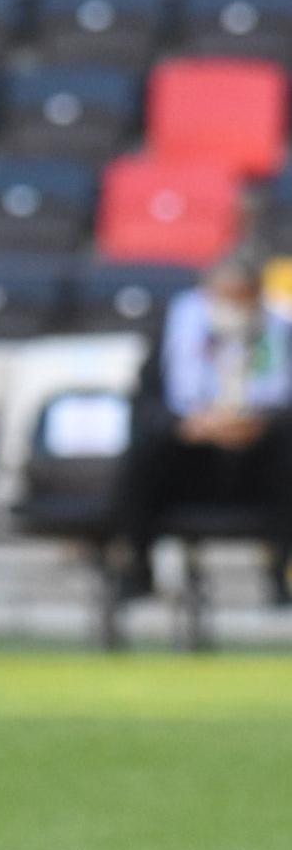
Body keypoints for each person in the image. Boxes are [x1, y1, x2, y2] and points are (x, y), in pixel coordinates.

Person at [113, 252, 292, 606]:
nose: (234, 306)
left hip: (257, 466)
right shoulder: (175, 326)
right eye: (226, 296)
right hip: (190, 463)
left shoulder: (281, 330)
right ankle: (137, 569)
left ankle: (279, 571)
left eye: (242, 296)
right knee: (144, 452)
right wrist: (187, 426)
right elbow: (146, 405)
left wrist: (261, 424)